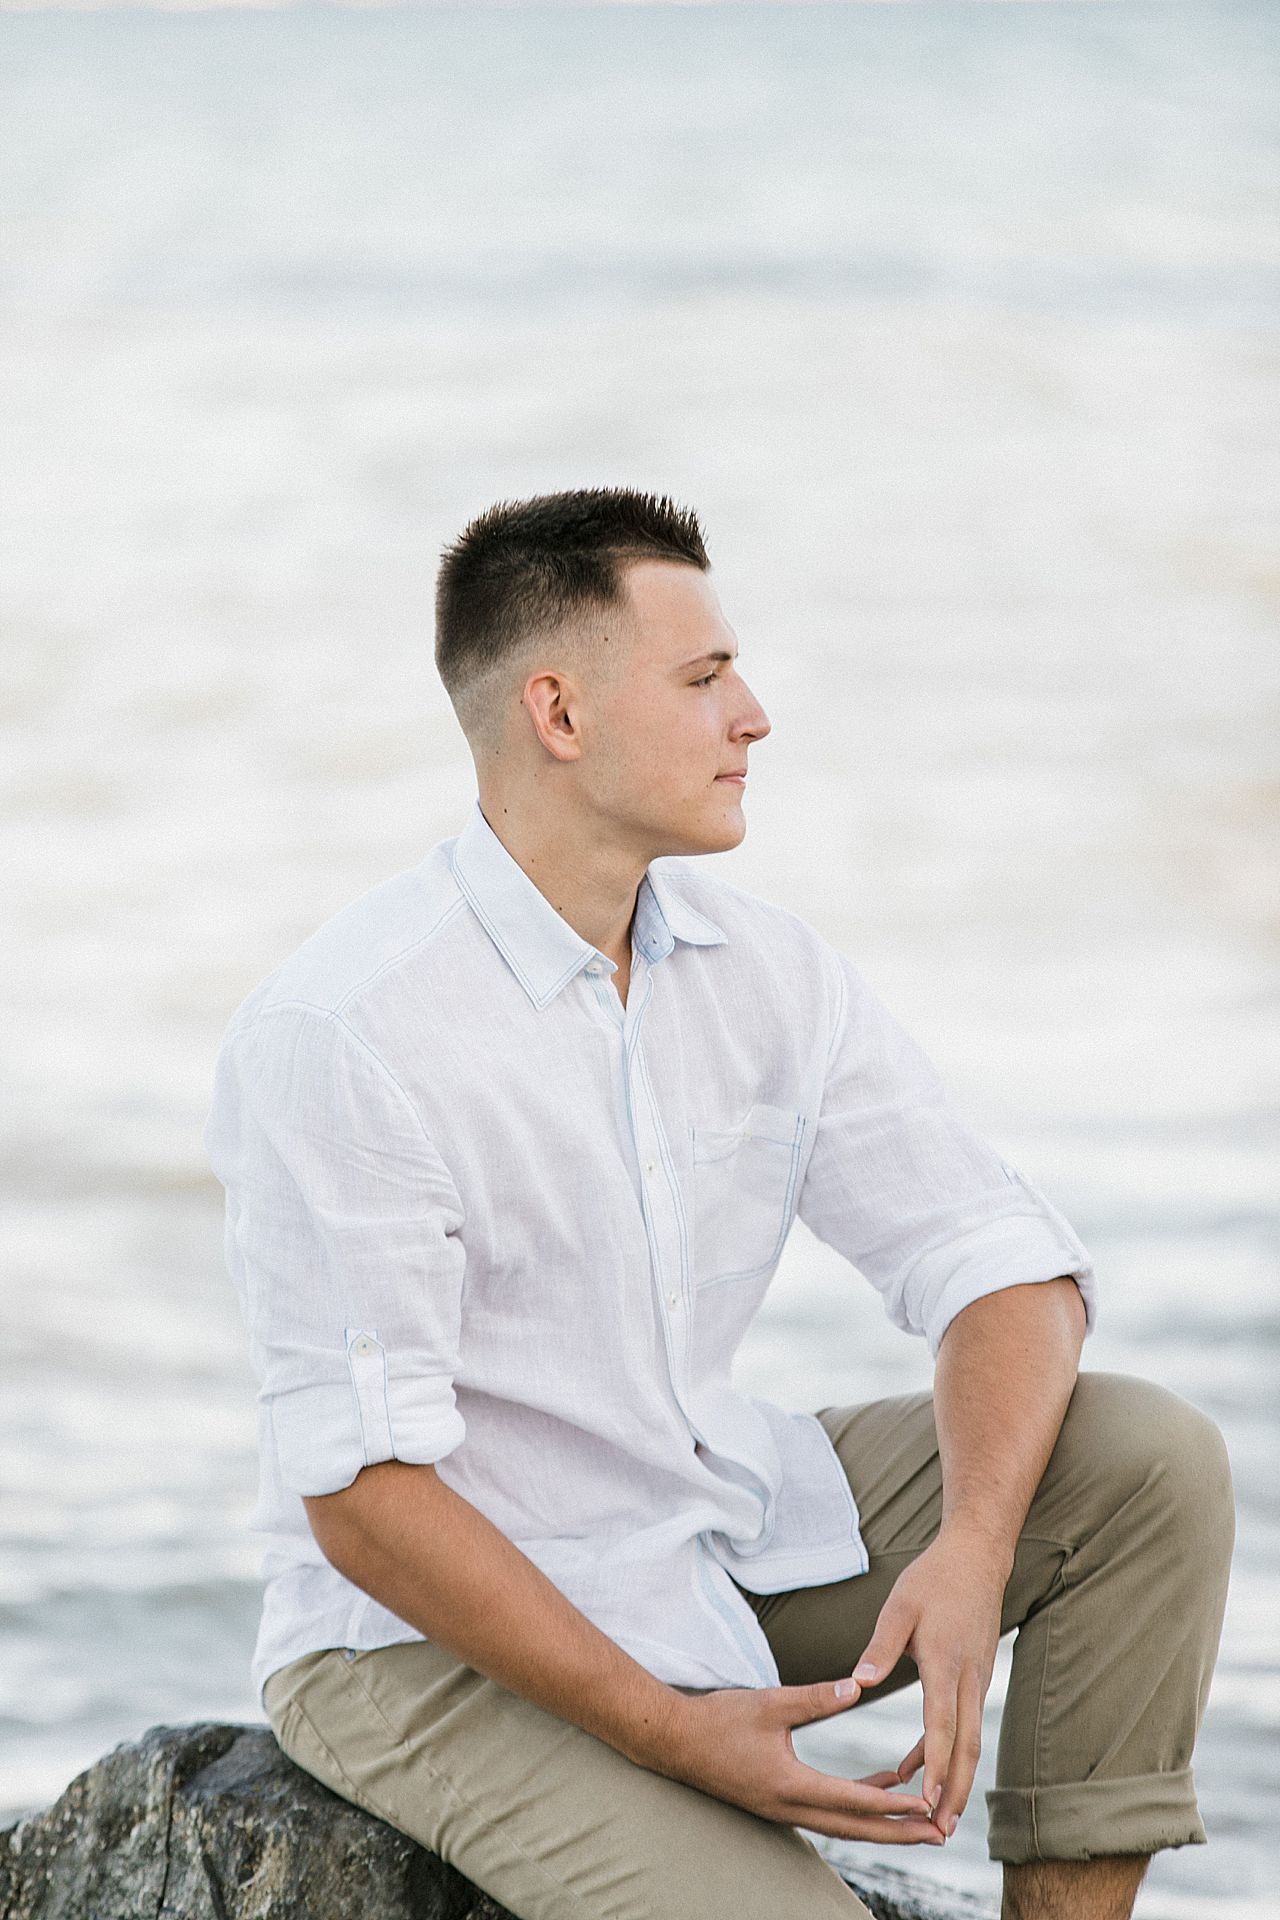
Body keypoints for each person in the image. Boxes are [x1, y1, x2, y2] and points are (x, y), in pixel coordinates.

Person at [203, 488, 1234, 1920]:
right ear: (558, 715)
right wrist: (674, 1732)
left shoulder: (767, 971)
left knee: (1141, 1458)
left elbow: (1000, 1264)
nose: (755, 716)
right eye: (704, 679)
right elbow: (365, 1503)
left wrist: (972, 1548)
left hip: (699, 1526)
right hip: (417, 1647)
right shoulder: (350, 1033)